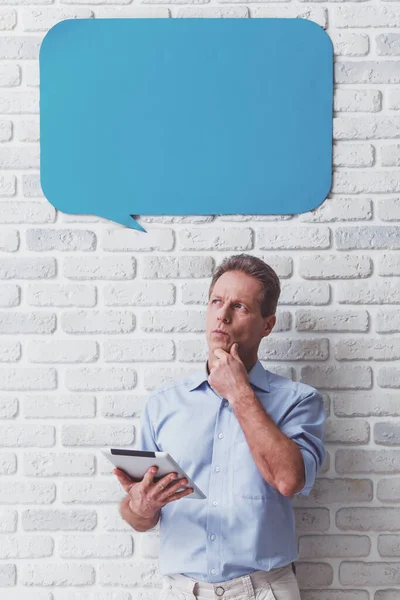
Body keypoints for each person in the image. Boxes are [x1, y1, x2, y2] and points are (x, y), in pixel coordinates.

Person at [114, 253, 326, 600]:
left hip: (265, 590)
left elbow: (290, 479)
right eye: (217, 301)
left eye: (240, 306)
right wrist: (141, 508)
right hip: (183, 591)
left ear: (267, 325)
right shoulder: (163, 403)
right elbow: (137, 515)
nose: (222, 316)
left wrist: (239, 391)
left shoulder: (299, 401)